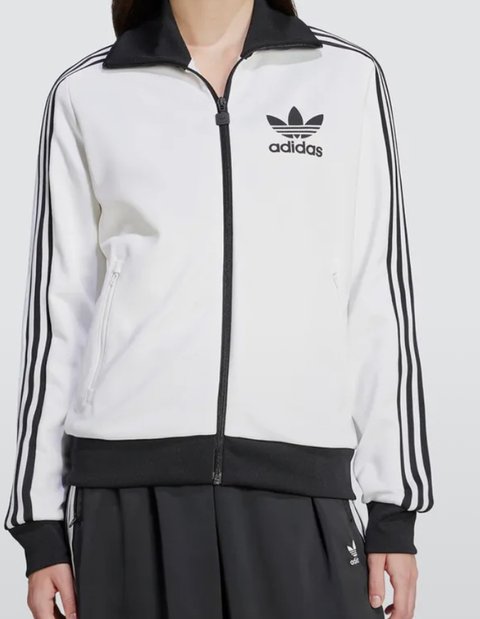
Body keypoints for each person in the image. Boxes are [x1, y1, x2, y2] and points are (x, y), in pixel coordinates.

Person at [4, 0, 434, 617]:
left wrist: (395, 505)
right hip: (129, 492)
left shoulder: (346, 77)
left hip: (299, 482)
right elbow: (59, 314)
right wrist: (39, 523)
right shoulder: (87, 91)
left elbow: (377, 296)